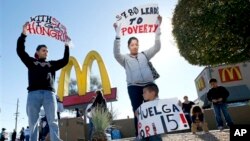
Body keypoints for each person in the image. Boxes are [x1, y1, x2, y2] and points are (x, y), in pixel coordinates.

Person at [16, 22, 69, 141]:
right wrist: (24, 34)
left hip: (49, 95)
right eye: (43, 50)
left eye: (47, 51)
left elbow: (65, 61)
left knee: (53, 121)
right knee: (33, 123)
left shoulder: (51, 64)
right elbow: (20, 51)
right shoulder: (31, 62)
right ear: (38, 52)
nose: (46, 52)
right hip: (33, 94)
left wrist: (66, 45)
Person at [113, 15, 162, 136]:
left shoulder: (144, 55)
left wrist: (157, 28)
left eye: (136, 44)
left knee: (153, 109)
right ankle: (140, 135)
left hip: (149, 86)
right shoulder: (124, 59)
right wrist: (117, 34)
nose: (134, 46)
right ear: (129, 46)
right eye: (132, 44)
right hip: (134, 87)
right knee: (138, 111)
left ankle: (155, 133)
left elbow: (157, 47)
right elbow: (116, 53)